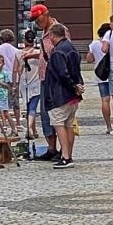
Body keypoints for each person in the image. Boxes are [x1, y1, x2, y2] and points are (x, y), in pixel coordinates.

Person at [43, 22, 83, 168]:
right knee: (69, 125)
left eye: (49, 36)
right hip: (72, 96)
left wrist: (73, 86)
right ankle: (69, 155)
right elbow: (77, 70)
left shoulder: (58, 52)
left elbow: (62, 74)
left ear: (53, 35)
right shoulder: (72, 48)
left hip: (60, 95)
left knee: (59, 124)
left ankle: (65, 156)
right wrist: (78, 85)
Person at [88, 22, 113, 134]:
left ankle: (108, 126)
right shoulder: (112, 43)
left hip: (101, 75)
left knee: (105, 100)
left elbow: (89, 59)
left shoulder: (94, 44)